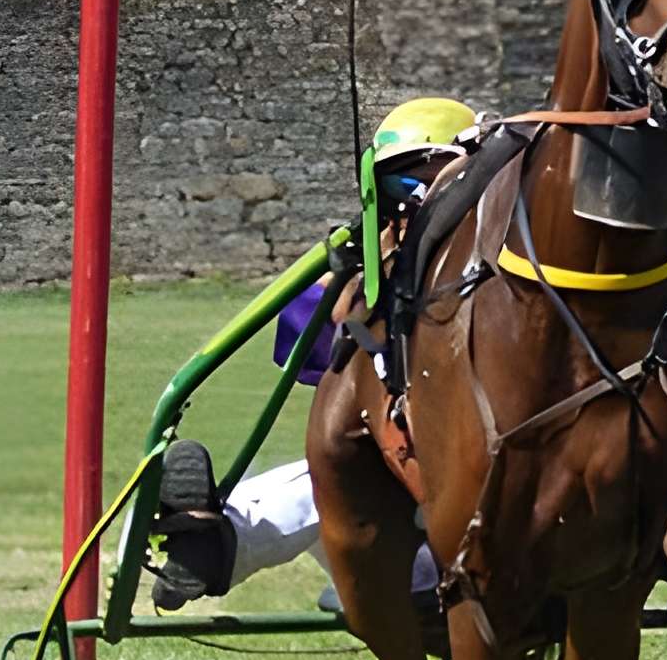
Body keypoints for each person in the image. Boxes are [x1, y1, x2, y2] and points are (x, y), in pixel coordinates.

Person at [150, 96, 477, 606]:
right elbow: (320, 348)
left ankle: (218, 539)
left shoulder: (495, 292)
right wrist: (361, 274)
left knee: (334, 478)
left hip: (472, 534)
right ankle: (206, 539)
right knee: (331, 474)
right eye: (400, 186)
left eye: (433, 184)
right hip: (389, 538)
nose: (415, 202)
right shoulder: (376, 278)